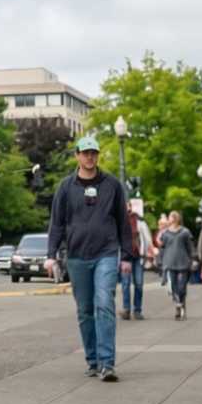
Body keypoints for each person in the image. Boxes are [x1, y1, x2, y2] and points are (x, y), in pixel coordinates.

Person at [48, 136, 138, 381]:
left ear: (98, 156)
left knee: (104, 303)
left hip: (106, 254)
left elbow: (123, 223)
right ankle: (93, 360)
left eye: (94, 153)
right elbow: (56, 223)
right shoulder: (66, 187)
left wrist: (127, 256)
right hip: (77, 256)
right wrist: (50, 255)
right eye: (85, 153)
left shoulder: (112, 185)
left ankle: (108, 363)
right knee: (85, 310)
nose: (90, 157)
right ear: (77, 155)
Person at [156, 211, 196, 320]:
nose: (171, 219)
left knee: (182, 287)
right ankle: (179, 306)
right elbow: (162, 248)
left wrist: (193, 259)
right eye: (170, 217)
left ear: (177, 219)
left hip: (183, 262)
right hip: (170, 263)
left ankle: (181, 305)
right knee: (173, 286)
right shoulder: (165, 234)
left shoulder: (185, 232)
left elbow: (190, 247)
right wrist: (160, 262)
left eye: (173, 217)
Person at [119, 208, 152, 320]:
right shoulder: (119, 223)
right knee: (125, 284)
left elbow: (147, 239)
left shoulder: (140, 223)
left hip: (138, 257)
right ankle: (126, 309)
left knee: (139, 283)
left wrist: (148, 252)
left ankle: (137, 310)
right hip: (125, 257)